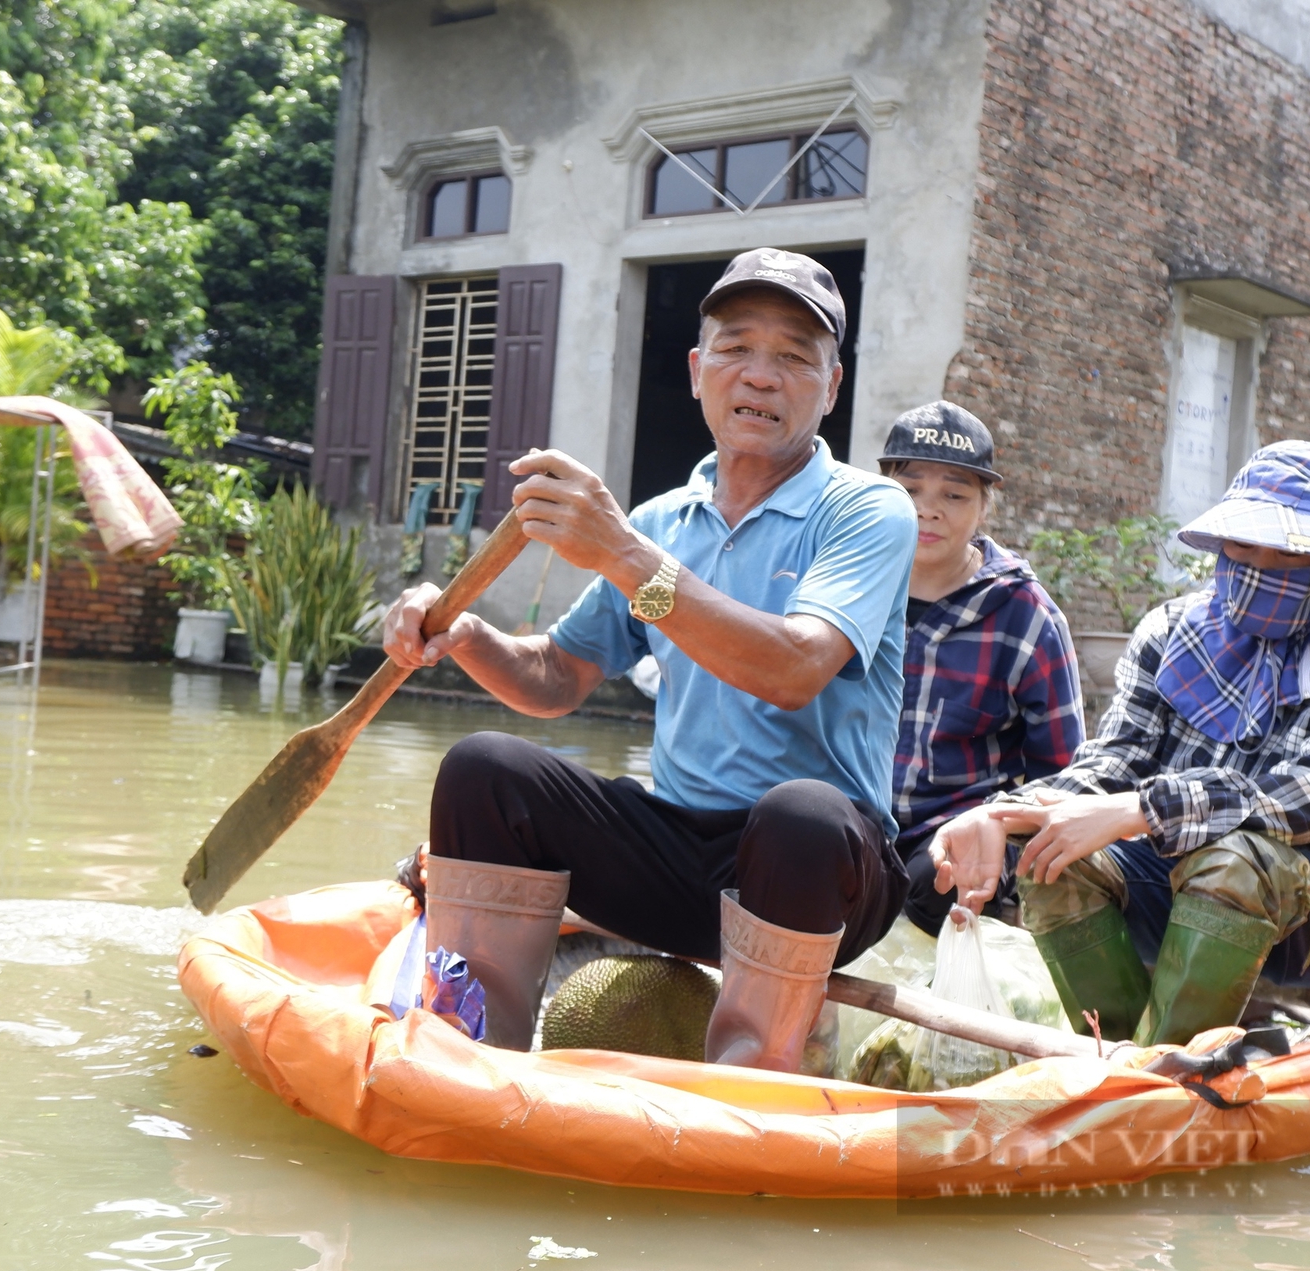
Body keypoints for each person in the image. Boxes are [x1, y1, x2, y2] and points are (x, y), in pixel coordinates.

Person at [381, 248, 917, 1069]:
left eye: (793, 358)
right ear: (700, 372)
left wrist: (627, 559)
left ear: (831, 387)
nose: (761, 377)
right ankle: (471, 1050)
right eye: (737, 349)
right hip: (681, 863)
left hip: (820, 878)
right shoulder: (664, 520)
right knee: (486, 769)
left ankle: (749, 1078)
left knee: (800, 814)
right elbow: (557, 678)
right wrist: (461, 637)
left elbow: (794, 669)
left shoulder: (868, 510)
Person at [928, 442, 1310, 1047]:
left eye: (1290, 552)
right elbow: (1113, 764)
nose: (1262, 564)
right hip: (1182, 878)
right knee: (1053, 856)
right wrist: (1003, 814)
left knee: (1237, 861)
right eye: (1245, 544)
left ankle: (1165, 1073)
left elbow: (1306, 800)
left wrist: (1142, 811)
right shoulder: (1172, 631)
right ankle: (1113, 1051)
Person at [877, 402, 1084, 935]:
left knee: (939, 884)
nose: (929, 510)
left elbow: (1061, 776)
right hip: (850, 821)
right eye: (910, 490)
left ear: (984, 507)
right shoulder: (853, 584)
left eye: (954, 494)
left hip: (957, 837)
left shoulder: (1025, 615)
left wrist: (1005, 840)